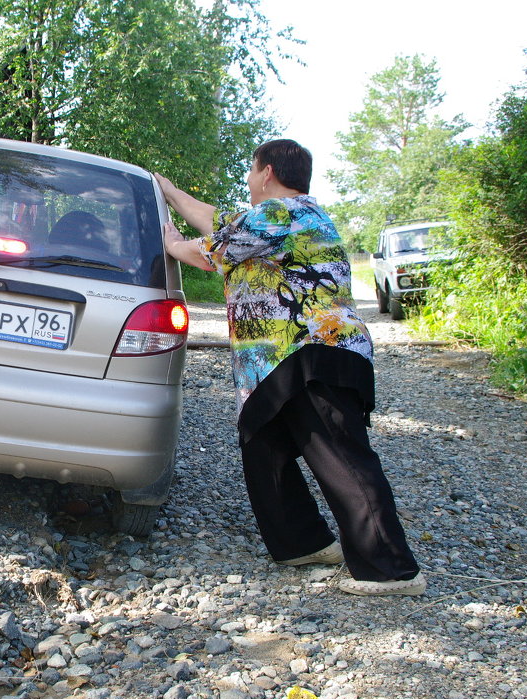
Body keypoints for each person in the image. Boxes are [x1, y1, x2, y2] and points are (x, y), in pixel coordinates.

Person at [155, 139, 426, 596]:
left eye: (251, 170)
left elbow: (210, 251)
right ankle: (302, 543)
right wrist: (169, 191)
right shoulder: (276, 220)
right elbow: (216, 220)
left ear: (266, 172)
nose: (247, 180)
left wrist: (172, 242)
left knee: (342, 459)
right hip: (277, 363)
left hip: (317, 352)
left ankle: (392, 570)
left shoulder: (282, 213)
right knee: (263, 444)